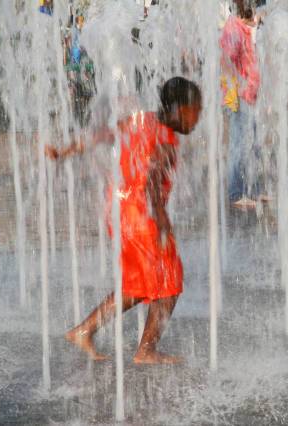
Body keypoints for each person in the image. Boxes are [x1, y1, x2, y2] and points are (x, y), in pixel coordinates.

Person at [46, 77, 202, 364]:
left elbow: (100, 136)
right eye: (196, 111)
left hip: (118, 209)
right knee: (170, 280)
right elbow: (153, 182)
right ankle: (146, 350)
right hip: (142, 216)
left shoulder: (139, 119)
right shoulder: (167, 139)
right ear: (180, 109)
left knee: (139, 283)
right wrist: (162, 220)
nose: (198, 118)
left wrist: (64, 152)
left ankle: (84, 330)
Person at [220, 0, 263, 209]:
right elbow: (225, 61)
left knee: (254, 142)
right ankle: (235, 193)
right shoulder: (233, 29)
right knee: (239, 144)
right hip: (238, 97)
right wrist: (238, 88)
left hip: (248, 96)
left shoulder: (242, 28)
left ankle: (254, 190)